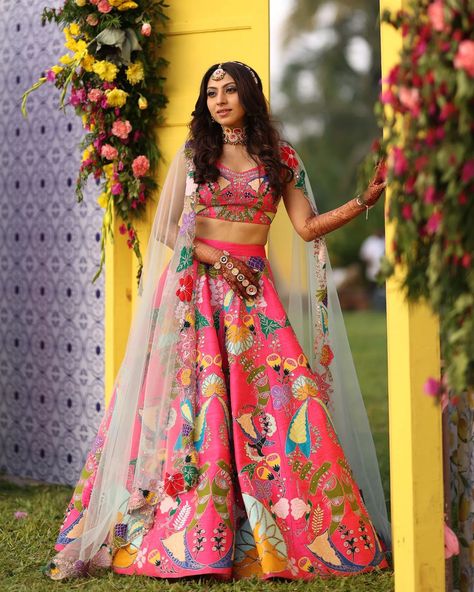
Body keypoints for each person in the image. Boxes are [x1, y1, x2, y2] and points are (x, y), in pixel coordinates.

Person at [46, 61, 389, 581]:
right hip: (195, 294)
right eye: (212, 91)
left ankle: (291, 528)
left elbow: (306, 226)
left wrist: (364, 199)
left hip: (254, 296)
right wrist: (220, 260)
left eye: (231, 90)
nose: (221, 99)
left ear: (251, 95)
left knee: (283, 402)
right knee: (189, 406)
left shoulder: (280, 157)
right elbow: (166, 230)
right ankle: (183, 526)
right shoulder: (195, 154)